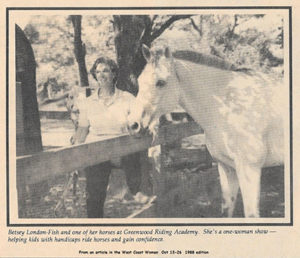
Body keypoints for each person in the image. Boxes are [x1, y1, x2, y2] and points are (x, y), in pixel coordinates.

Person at [71, 57, 145, 218]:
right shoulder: (88, 102)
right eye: (97, 72)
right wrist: (75, 154)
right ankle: (95, 226)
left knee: (136, 188)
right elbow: (83, 129)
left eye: (105, 70)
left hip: (122, 148)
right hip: (97, 150)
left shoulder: (127, 98)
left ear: (114, 73)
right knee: (94, 195)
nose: (101, 75)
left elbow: (137, 123)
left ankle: (137, 205)